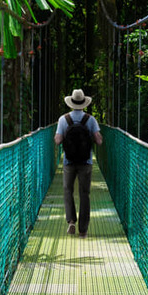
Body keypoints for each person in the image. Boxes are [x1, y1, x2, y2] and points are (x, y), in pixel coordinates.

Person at [54, 88, 103, 238]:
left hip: (69, 161)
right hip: (85, 162)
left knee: (68, 190)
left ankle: (71, 221)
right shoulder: (90, 119)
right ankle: (83, 230)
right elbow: (99, 141)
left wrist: (63, 136)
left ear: (71, 102)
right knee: (84, 194)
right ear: (84, 103)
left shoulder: (64, 119)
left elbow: (57, 140)